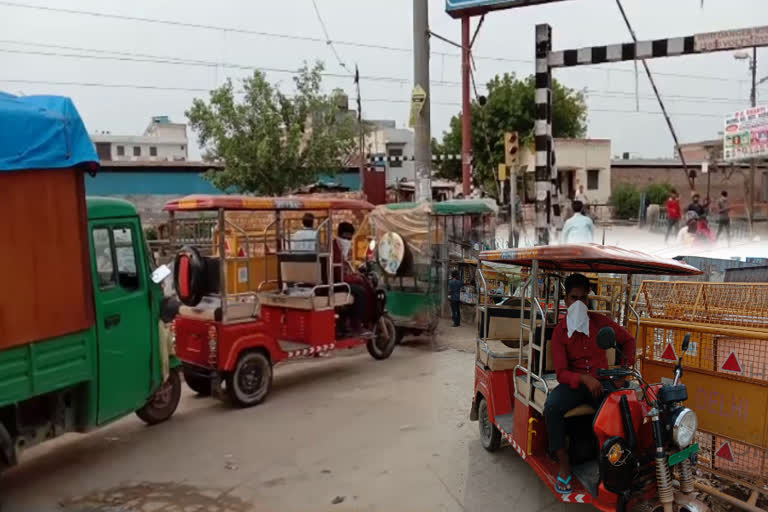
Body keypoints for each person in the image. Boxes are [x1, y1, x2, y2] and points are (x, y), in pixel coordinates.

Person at [544, 273, 635, 494]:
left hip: (603, 381)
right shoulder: (560, 331)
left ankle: (618, 461)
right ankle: (564, 465)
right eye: (574, 298)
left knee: (624, 410)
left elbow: (628, 341)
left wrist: (622, 375)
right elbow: (561, 373)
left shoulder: (600, 322)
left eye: (583, 298)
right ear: (566, 300)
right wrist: (584, 378)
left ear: (588, 300)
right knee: (552, 407)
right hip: (575, 384)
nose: (578, 303)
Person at [333, 222, 370, 337]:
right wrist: (355, 279)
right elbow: (339, 274)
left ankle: (343, 325)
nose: (348, 241)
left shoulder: (337, 246)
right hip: (334, 283)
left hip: (334, 281)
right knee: (360, 292)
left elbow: (344, 268)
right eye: (346, 238)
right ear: (342, 235)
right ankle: (356, 326)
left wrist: (354, 276)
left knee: (355, 289)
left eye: (350, 238)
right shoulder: (335, 249)